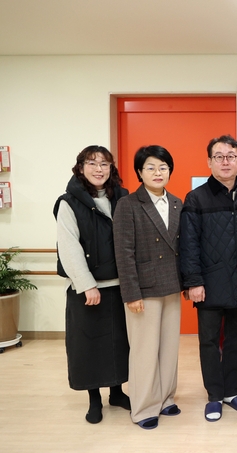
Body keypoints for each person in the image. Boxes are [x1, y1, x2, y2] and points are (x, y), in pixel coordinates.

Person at [180, 135, 237, 422]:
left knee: (236, 340)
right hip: (209, 284)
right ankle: (214, 395)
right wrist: (193, 281)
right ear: (209, 161)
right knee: (209, 341)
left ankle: (232, 392)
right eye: (219, 156)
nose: (225, 162)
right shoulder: (196, 198)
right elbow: (188, 244)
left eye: (231, 156)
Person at [53, 145, 130, 424]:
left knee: (119, 343)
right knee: (89, 346)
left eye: (104, 164)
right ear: (81, 167)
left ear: (111, 169)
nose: (99, 169)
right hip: (88, 288)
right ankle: (94, 399)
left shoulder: (123, 197)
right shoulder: (68, 202)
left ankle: (117, 393)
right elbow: (69, 247)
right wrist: (87, 285)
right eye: (92, 163)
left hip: (120, 285)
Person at [113, 146, 183, 430]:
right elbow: (123, 253)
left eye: (163, 167)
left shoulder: (177, 202)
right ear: (139, 172)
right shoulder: (128, 204)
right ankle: (143, 407)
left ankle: (165, 398)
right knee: (144, 350)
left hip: (172, 285)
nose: (158, 172)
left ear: (170, 171)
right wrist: (131, 294)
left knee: (169, 347)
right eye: (151, 167)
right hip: (143, 289)